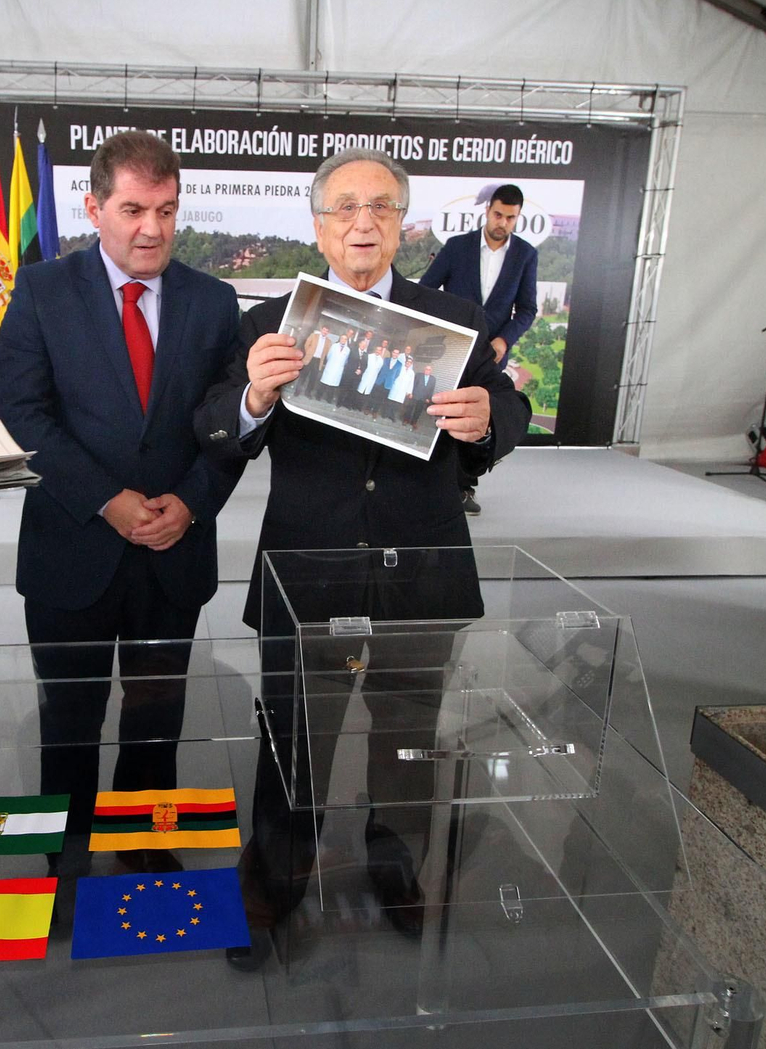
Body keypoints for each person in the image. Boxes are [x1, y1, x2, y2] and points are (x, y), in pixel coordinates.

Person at [194, 147, 529, 959]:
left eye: (380, 207)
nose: (363, 222)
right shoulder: (267, 322)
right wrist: (252, 395)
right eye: (345, 207)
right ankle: (276, 876)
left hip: (423, 570)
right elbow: (210, 424)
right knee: (293, 740)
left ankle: (397, 865)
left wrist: (487, 420)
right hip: (308, 573)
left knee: (410, 738)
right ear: (317, 227)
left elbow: (510, 409)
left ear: (404, 225)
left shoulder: (453, 320)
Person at [0, 130, 242, 873]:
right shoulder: (40, 291)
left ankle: (141, 841)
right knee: (68, 716)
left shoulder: (214, 300)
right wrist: (106, 500)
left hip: (175, 551)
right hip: (73, 546)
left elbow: (230, 426)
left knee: (157, 717)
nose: (152, 229)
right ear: (93, 206)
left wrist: (190, 506)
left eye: (166, 210)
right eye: (133, 209)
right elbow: (23, 414)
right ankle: (62, 856)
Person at [420, 184, 539, 515]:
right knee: (445, 413)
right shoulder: (457, 248)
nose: (502, 222)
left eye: (510, 218)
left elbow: (527, 309)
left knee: (476, 419)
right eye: (498, 214)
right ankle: (437, 482)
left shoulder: (526, 255)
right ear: (487, 211)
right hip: (450, 347)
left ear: (518, 218)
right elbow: (426, 290)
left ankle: (463, 487)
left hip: (491, 354)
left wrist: (504, 340)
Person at [408, 364, 439, 428]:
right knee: (410, 408)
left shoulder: (433, 379)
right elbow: (413, 385)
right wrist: (410, 393)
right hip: (415, 395)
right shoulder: (418, 375)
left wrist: (428, 398)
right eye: (426, 369)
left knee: (418, 410)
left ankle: (414, 422)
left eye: (429, 370)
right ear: (424, 370)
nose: (427, 371)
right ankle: (406, 419)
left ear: (431, 371)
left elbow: (431, 389)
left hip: (423, 398)